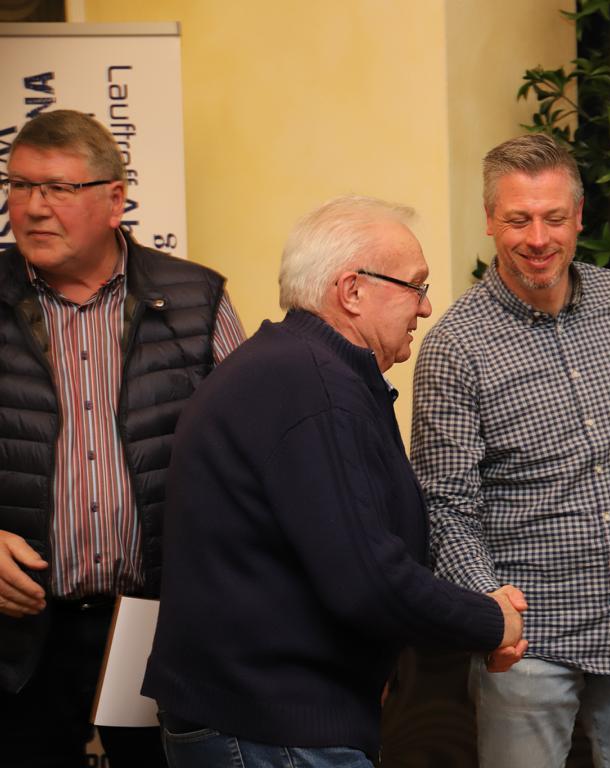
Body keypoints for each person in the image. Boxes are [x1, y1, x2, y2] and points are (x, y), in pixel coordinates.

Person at [141, 196, 528, 767]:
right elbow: (369, 580)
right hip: (272, 729)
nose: (425, 307)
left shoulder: (296, 368)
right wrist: (493, 621)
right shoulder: (313, 387)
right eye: (415, 286)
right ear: (352, 291)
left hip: (263, 722)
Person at [410, 133, 610, 768]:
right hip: (530, 643)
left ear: (579, 217)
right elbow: (444, 505)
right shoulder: (454, 347)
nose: (538, 238)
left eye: (554, 217)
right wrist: (492, 610)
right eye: (518, 219)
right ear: (490, 219)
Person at [0, 109, 246, 767]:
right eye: (20, 186)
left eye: (58, 188)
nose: (33, 207)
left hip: (159, 625)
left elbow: (252, 458)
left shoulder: (196, 301)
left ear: (115, 200)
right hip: (19, 639)